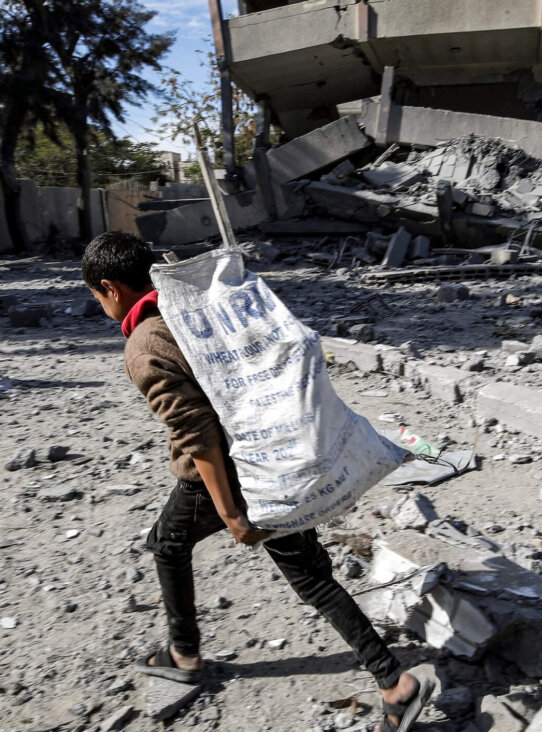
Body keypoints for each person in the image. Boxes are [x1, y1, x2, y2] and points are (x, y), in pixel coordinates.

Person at [82, 231, 434, 731]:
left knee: (167, 543)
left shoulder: (145, 344)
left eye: (96, 296)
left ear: (111, 287)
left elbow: (197, 436)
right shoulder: (196, 309)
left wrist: (231, 515)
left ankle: (184, 656)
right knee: (311, 575)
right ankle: (395, 683)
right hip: (278, 460)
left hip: (222, 479)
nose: (100, 304)